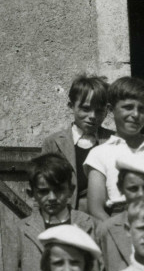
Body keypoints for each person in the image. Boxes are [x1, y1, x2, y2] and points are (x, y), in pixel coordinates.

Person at [84, 77, 144, 221]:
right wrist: (116, 232)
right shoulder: (99, 154)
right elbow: (95, 209)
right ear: (111, 109)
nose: (136, 115)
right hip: (118, 221)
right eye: (128, 107)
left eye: (142, 109)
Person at [41, 74, 113, 211]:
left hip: (106, 220)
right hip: (68, 220)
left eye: (99, 110)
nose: (92, 116)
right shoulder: (53, 143)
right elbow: (42, 189)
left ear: (107, 110)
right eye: (85, 109)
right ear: (71, 106)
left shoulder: (114, 142)